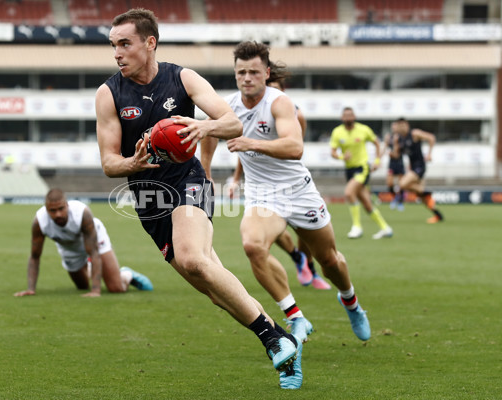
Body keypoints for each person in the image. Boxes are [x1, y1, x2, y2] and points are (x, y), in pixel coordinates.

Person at [95, 9, 304, 389]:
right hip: (150, 200)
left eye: (125, 44)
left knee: (193, 258)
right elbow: (109, 164)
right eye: (113, 46)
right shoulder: (108, 94)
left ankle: (271, 339)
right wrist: (133, 162)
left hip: (189, 180)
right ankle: (282, 336)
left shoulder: (182, 78)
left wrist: (203, 125)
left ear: (149, 43)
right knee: (213, 287)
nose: (117, 53)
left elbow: (232, 122)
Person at [202, 41, 371, 386]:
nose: (246, 78)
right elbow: (208, 131)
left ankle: (351, 301)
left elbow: (295, 147)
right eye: (240, 72)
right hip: (263, 195)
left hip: (299, 191)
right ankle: (295, 317)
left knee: (329, 261)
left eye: (253, 72)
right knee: (252, 246)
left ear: (266, 73)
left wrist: (252, 143)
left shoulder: (280, 103)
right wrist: (204, 172)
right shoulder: (227, 107)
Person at [224, 63, 330, 290]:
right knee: (269, 230)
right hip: (263, 187)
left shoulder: (294, 113)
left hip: (293, 180)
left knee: (309, 235)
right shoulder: (243, 109)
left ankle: (309, 266)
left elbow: (294, 147)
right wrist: (235, 178)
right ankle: (297, 257)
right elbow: (243, 151)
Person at [14, 188, 153, 297]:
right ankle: (92, 270)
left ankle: (127, 274)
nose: (58, 214)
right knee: (82, 287)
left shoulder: (82, 213)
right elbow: (35, 256)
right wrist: (30, 289)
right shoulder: (40, 222)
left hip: (95, 241)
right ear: (46, 209)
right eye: (53, 210)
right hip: (68, 249)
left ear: (67, 205)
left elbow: (93, 252)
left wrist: (96, 291)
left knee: (116, 288)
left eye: (61, 209)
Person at [330, 107, 393, 239]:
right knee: (366, 202)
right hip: (349, 170)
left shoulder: (363, 129)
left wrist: (377, 160)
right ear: (342, 118)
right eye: (346, 115)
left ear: (354, 117)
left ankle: (357, 227)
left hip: (362, 168)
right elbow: (333, 153)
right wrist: (342, 157)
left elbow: (376, 142)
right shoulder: (337, 132)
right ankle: (385, 228)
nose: (348, 117)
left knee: (348, 192)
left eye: (350, 115)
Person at [393, 118, 444, 223]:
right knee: (422, 197)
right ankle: (438, 215)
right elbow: (396, 155)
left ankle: (425, 192)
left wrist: (429, 153)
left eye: (403, 125)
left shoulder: (414, 134)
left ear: (407, 125)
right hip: (412, 168)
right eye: (399, 125)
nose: (402, 127)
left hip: (419, 167)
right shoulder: (398, 139)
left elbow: (431, 138)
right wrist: (393, 147)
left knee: (402, 184)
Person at [382, 122, 406, 211]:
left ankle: (400, 202)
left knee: (401, 184)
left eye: (396, 127)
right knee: (389, 183)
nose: (394, 128)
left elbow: (397, 154)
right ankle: (395, 198)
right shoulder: (389, 137)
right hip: (392, 163)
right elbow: (384, 148)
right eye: (393, 127)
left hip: (399, 162)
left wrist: (392, 152)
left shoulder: (401, 137)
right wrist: (379, 158)